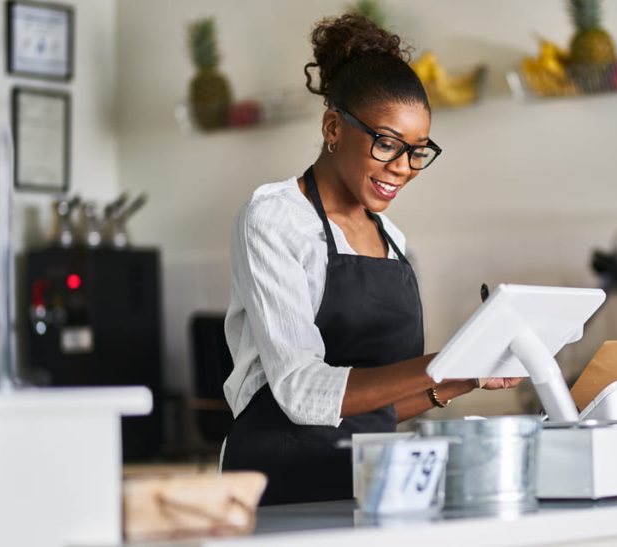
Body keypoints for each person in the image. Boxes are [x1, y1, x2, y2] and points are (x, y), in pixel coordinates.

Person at [219, 14, 522, 506]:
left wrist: (465, 375)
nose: (402, 168)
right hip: (276, 483)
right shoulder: (272, 220)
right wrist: (444, 362)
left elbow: (376, 406)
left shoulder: (394, 239)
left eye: (417, 152)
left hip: (369, 481)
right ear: (333, 126)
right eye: (387, 143)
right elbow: (300, 390)